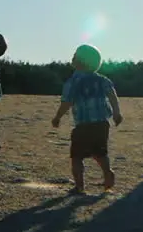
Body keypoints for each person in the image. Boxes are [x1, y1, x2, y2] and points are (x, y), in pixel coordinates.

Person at [52, 43, 124, 195]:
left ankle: (79, 186)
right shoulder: (102, 80)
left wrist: (57, 117)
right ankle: (107, 172)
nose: (72, 57)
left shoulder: (73, 81)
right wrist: (116, 113)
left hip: (83, 124)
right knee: (100, 152)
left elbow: (67, 102)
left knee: (76, 156)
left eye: (75, 55)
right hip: (102, 123)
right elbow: (112, 95)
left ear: (79, 61)